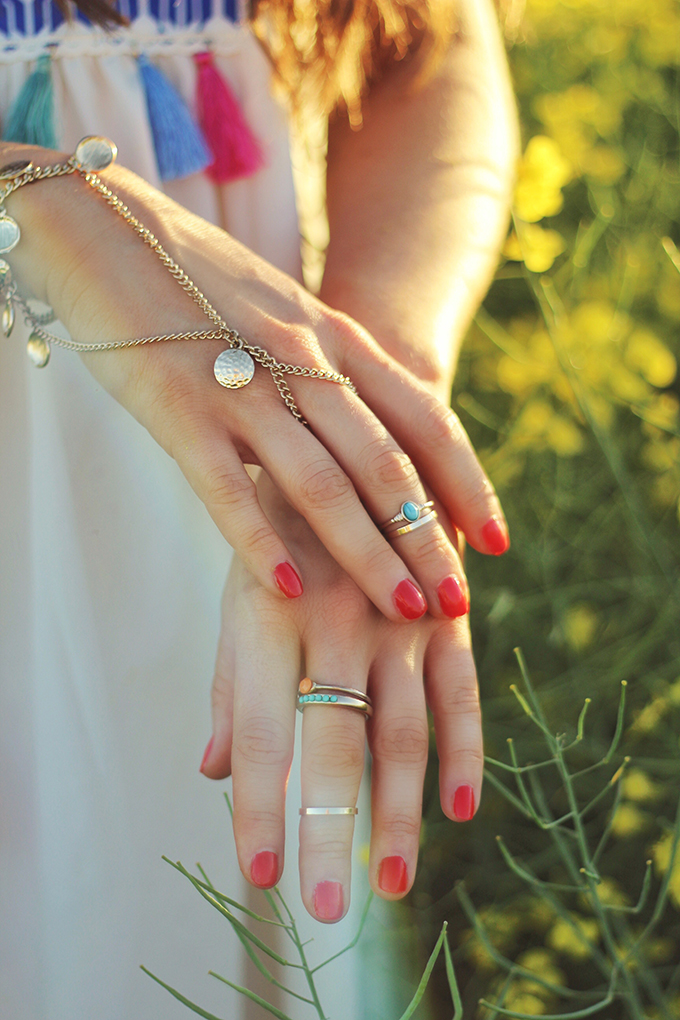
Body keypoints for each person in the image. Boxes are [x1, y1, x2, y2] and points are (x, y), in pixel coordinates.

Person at [0, 0, 517, 1016]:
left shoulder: (328, 453)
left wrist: (358, 426)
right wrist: (39, 202)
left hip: (246, 539)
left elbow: (427, 43)